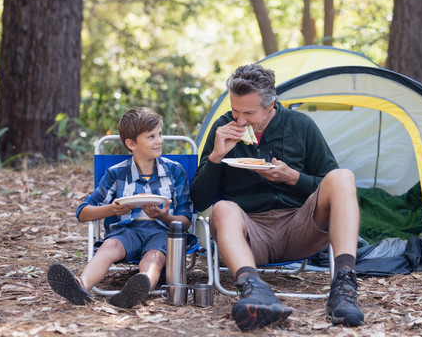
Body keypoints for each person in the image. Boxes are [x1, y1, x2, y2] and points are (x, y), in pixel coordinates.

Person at [190, 64, 364, 331]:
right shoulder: (222, 127)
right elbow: (199, 201)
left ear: (271, 106)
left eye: (249, 113)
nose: (240, 120)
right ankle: (253, 289)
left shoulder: (301, 125)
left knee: (342, 177)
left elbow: (328, 184)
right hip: (250, 233)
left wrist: (293, 178)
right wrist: (216, 157)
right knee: (223, 208)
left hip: (301, 226)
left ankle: (344, 284)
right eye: (235, 111)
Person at [48, 107, 193, 308]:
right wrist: (112, 210)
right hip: (127, 231)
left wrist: (165, 217)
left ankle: (139, 290)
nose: (159, 140)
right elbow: (83, 213)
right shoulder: (116, 174)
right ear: (131, 143)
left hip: (163, 231)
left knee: (154, 257)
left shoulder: (175, 171)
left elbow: (186, 221)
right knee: (110, 246)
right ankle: (81, 285)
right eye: (151, 136)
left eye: (160, 134)